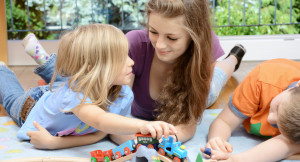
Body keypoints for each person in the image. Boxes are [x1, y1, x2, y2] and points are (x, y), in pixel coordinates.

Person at [0, 24, 176, 149]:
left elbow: (100, 133)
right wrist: (141, 126)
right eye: (122, 58)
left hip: (69, 91)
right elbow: (100, 120)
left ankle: (45, 60)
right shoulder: (77, 96)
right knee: (11, 96)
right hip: (31, 105)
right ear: (97, 68)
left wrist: (56, 143)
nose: (132, 62)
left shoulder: (123, 94)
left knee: (70, 79)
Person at [110, 0, 246, 144]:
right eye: (153, 31)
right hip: (142, 118)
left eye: (172, 38)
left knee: (215, 85)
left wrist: (156, 143)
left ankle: (233, 58)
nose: (160, 45)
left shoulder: (204, 47)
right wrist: (144, 143)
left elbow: (187, 128)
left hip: (202, 83)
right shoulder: (134, 44)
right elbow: (114, 121)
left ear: (193, 37)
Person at [201, 59, 300, 162]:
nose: (270, 119)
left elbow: (285, 147)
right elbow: (225, 121)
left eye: (278, 125)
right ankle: (233, 57)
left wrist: (235, 159)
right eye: (278, 108)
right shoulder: (261, 81)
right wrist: (217, 138)